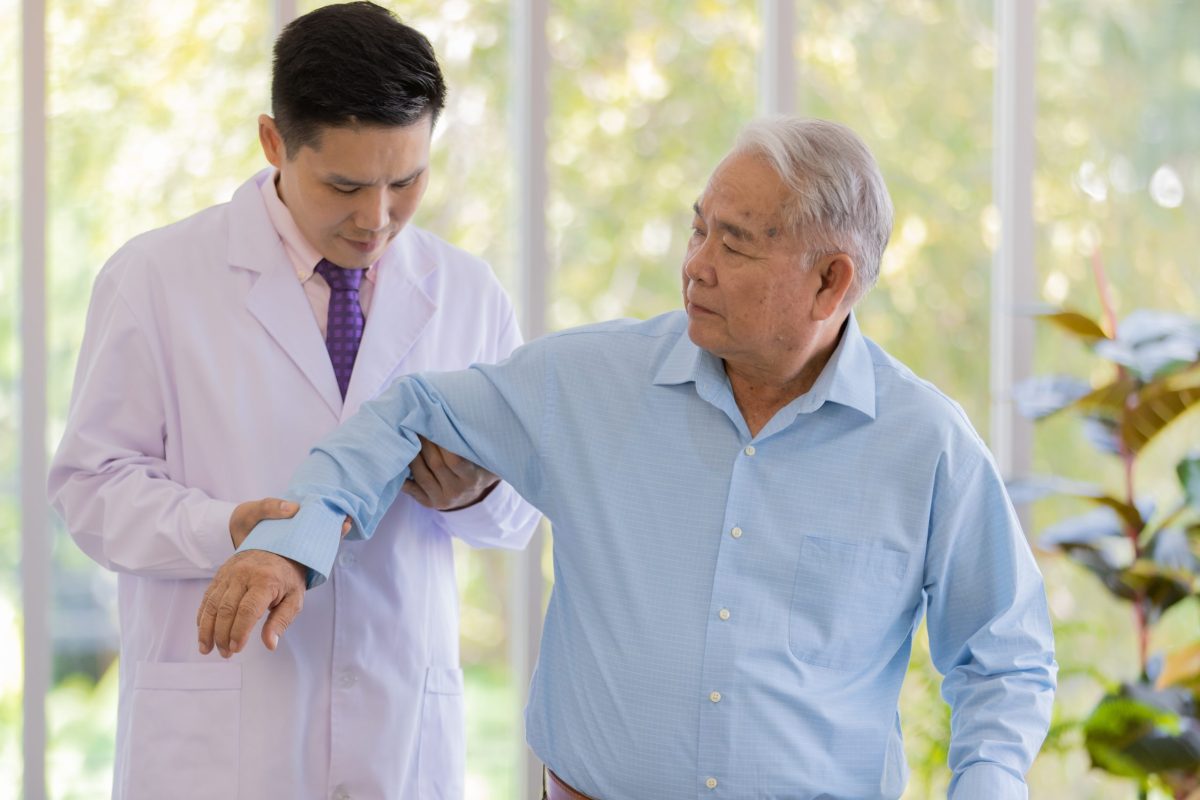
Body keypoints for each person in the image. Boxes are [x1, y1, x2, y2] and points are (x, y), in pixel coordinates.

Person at [199, 116, 1057, 799]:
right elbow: (409, 409)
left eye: (736, 244)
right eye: (697, 230)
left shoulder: (927, 445)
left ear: (832, 283)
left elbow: (1004, 656)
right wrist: (292, 539)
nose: (695, 267)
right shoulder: (588, 381)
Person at [47, 3, 539, 798]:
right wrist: (226, 528)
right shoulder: (156, 279)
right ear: (275, 142)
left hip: (397, 727)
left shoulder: (467, 293)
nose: (377, 218)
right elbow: (91, 491)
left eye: (406, 180)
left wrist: (474, 492)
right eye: (345, 184)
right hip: (221, 738)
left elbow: (523, 510)